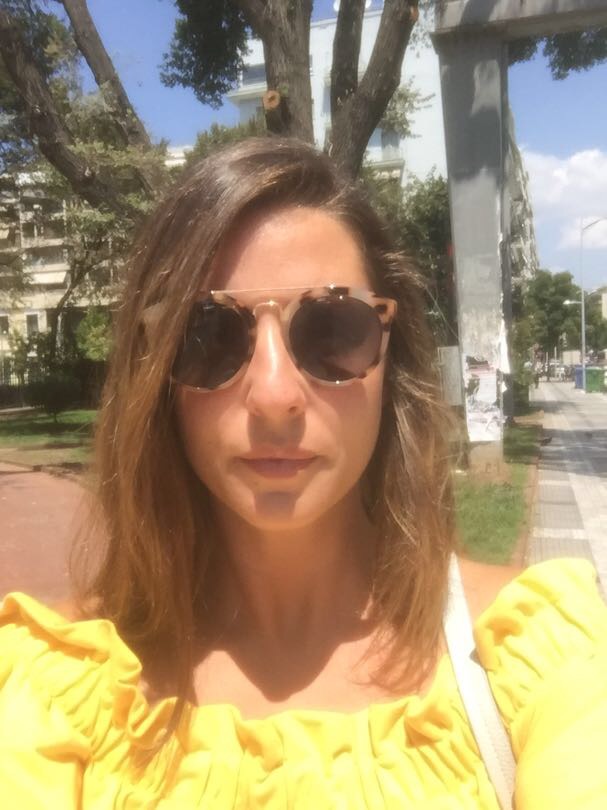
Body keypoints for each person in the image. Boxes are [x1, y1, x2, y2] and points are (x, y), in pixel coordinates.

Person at [1, 138, 607, 809]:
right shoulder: (52, 693)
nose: (273, 394)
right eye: (208, 334)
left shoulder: (540, 657)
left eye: (331, 330)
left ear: (391, 362)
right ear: (155, 377)